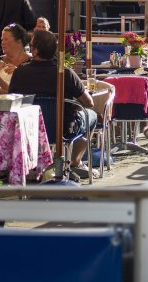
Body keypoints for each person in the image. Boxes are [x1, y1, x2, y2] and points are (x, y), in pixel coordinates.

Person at [9, 29, 96, 181]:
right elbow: (89, 103)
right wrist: (73, 104)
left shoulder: (19, 73)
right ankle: (75, 161)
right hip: (62, 128)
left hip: (29, 128)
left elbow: (11, 100)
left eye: (30, 46)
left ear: (35, 51)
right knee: (92, 115)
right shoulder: (65, 73)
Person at [0, 23, 32, 91]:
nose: (2, 43)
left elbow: (36, 84)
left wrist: (18, 73)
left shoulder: (32, 61)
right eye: (2, 39)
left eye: (6, 39)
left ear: (19, 41)